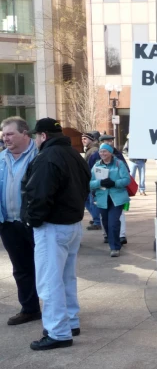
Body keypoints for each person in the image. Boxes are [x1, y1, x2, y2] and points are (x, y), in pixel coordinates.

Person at [21, 118, 90, 351]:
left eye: (35, 136)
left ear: (43, 136)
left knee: (49, 282)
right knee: (66, 277)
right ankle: (70, 322)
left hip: (52, 226)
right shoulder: (72, 154)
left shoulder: (48, 157)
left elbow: (39, 194)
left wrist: (33, 219)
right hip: (71, 224)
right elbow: (84, 187)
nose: (35, 140)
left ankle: (58, 332)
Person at [0, 116, 40, 326]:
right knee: (21, 268)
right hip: (8, 223)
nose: (5, 138)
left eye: (10, 134)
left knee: (44, 266)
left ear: (25, 134)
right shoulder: (1, 158)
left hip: (34, 223)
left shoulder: (39, 156)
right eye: (3, 134)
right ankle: (29, 308)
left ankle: (55, 309)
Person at [90, 143, 130, 257]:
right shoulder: (97, 165)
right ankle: (113, 241)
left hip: (116, 198)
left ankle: (115, 247)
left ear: (110, 152)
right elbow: (90, 183)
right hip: (102, 198)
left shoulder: (119, 163)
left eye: (105, 151)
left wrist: (114, 183)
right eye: (101, 151)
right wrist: (100, 182)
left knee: (113, 222)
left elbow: (127, 180)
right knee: (106, 223)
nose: (102, 153)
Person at [81, 131, 102, 230]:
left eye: (85, 139)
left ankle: (97, 221)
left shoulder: (93, 150)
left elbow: (93, 166)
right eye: (82, 139)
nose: (83, 141)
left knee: (91, 200)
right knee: (88, 200)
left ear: (91, 139)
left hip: (92, 179)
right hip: (90, 179)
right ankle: (96, 219)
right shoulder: (91, 149)